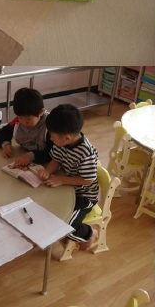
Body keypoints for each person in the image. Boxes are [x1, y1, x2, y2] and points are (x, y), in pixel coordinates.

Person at [34, 104, 100, 251]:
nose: (50, 138)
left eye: (52, 136)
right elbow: (56, 159)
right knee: (45, 209)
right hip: (67, 188)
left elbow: (88, 180)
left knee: (65, 226)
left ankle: (89, 233)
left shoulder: (86, 153)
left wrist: (62, 180)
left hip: (84, 196)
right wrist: (48, 171)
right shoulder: (62, 142)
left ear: (67, 137)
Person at [0, 87, 48, 165]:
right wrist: (6, 145)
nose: (24, 123)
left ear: (41, 112)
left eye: (29, 119)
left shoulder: (49, 126)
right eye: (20, 117)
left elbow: (53, 152)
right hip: (24, 156)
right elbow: (3, 132)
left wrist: (32, 156)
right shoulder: (17, 122)